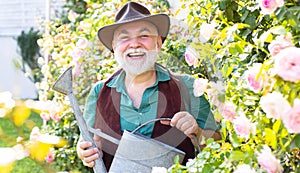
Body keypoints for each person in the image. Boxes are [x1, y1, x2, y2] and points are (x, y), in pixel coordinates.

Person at [76, 1, 221, 171]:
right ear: (114, 47)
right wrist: (85, 152)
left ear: (158, 43)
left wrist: (197, 132)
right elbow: (85, 144)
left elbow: (217, 146)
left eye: (144, 35)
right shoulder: (99, 92)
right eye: (124, 38)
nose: (135, 44)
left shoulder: (188, 87)